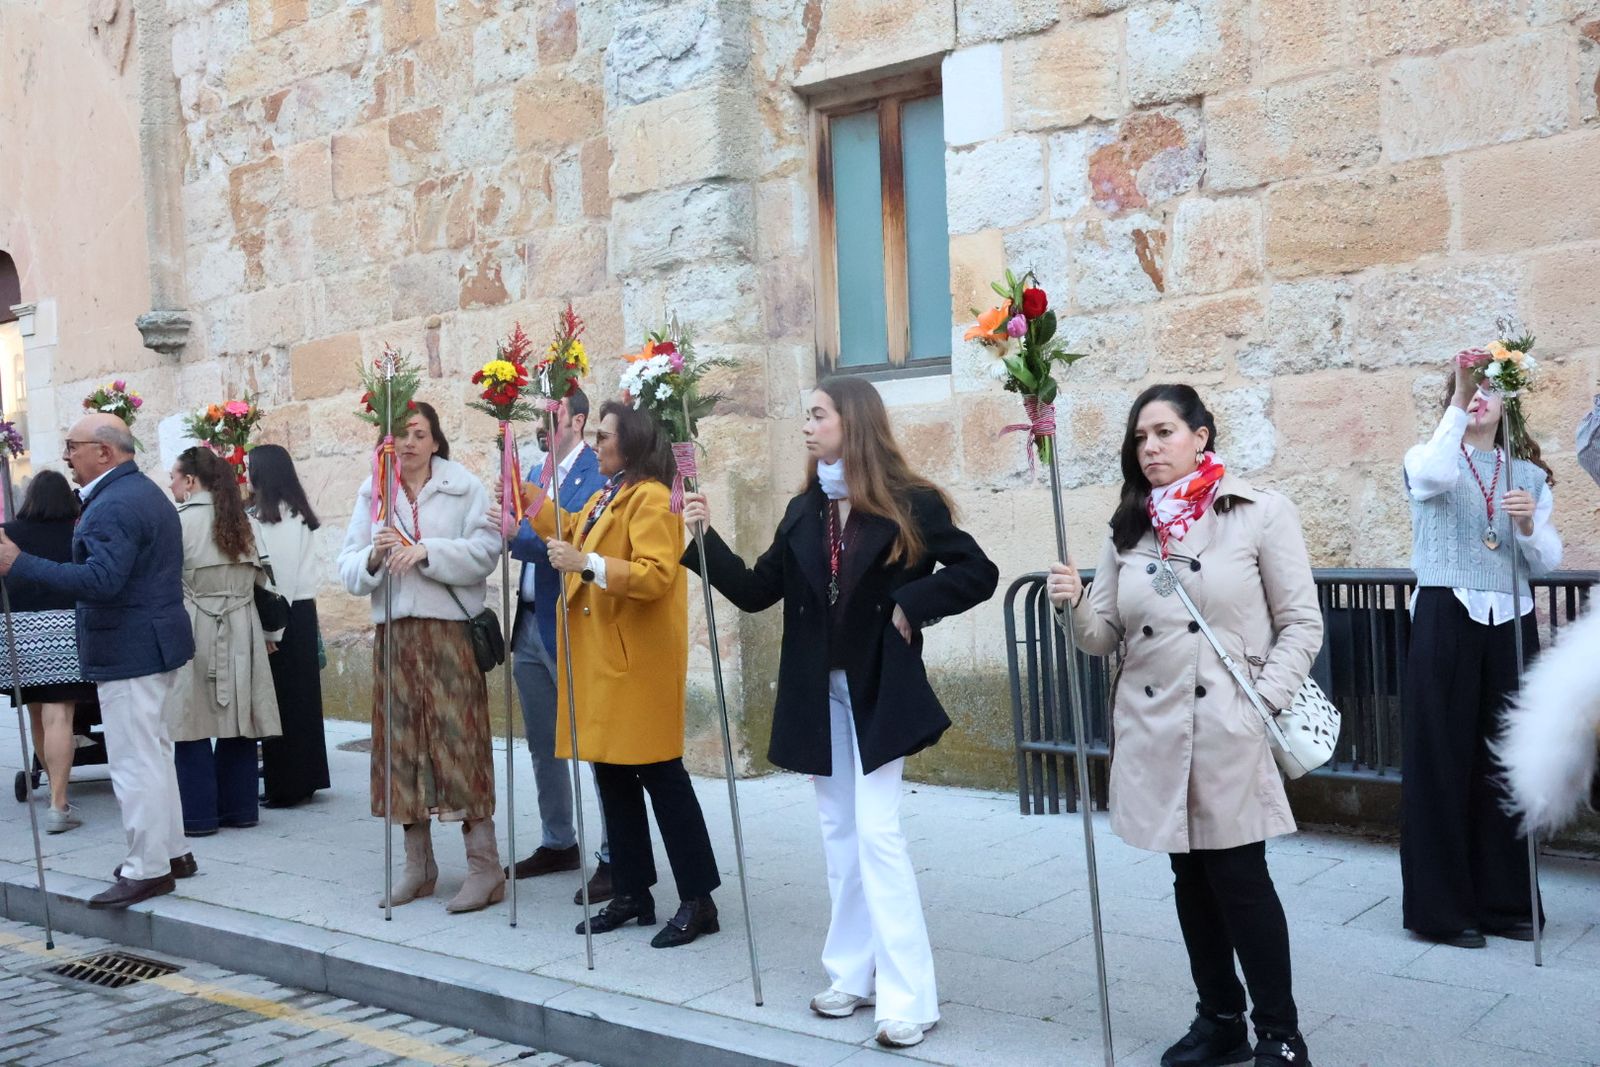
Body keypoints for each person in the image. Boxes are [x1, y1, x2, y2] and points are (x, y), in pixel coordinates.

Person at [681, 377, 999, 1049]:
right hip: (815, 693)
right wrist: (702, 538)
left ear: (851, 423)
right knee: (839, 833)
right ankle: (851, 973)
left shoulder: (908, 502)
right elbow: (754, 590)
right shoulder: (805, 507)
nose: (806, 426)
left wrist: (912, 603)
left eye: (818, 415)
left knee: (878, 831)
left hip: (879, 689)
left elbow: (977, 571)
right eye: (806, 415)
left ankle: (910, 996)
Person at [1046, 384, 1322, 1067]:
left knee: (1240, 877)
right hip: (1156, 727)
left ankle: (1281, 1035)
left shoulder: (1259, 513)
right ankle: (1220, 1015)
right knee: (1190, 879)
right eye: (1141, 438)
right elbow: (1102, 635)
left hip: (1230, 726)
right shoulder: (1129, 531)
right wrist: (1072, 603)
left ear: (1202, 435)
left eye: (1164, 432)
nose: (1150, 448)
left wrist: (1262, 701)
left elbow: (1302, 623)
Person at [524, 401, 720, 948]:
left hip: (637, 666)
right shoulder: (611, 491)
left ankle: (699, 898)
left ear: (630, 443)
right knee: (613, 779)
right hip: (607, 664)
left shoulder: (653, 499)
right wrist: (524, 499)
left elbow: (657, 575)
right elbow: (569, 527)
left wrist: (585, 565)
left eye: (605, 436)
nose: (597, 444)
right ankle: (633, 890)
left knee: (664, 781)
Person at [0, 414, 195, 909]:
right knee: (153, 753)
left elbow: (100, 581)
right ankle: (172, 854)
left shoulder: (115, 504)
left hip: (129, 644)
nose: (66, 456)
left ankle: (147, 868)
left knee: (134, 761)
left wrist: (19, 564)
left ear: (104, 452)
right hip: (147, 641)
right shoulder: (141, 492)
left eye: (72, 446)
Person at [1399, 361, 1560, 949]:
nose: (1481, 400)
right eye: (1472, 392)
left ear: (1509, 405)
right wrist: (1460, 395)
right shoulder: (1427, 454)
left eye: (1493, 392)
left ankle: (1506, 902)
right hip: (1447, 609)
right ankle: (1441, 911)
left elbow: (1545, 561)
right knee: (1440, 757)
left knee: (1508, 758)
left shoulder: (1530, 476)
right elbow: (1435, 480)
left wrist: (1525, 531)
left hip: (1511, 619)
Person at [337, 401, 505, 914]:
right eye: (400, 434)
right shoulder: (374, 492)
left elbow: (487, 549)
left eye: (419, 433)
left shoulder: (462, 487)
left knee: (458, 744)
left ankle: (484, 867)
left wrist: (428, 550)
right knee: (401, 750)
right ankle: (419, 866)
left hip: (449, 637)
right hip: (396, 640)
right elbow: (345, 567)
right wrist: (373, 556)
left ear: (435, 441)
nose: (408, 443)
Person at [502, 389, 614, 901]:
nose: (542, 424)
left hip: (567, 621)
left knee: (592, 740)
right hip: (527, 622)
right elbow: (522, 527)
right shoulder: (535, 469)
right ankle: (557, 839)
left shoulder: (594, 472)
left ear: (578, 420)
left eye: (552, 415)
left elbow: (565, 538)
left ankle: (615, 850)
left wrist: (515, 530)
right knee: (543, 739)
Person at [169, 447, 283, 836]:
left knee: (191, 720)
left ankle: (199, 816)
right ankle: (240, 809)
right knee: (240, 719)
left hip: (191, 625)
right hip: (241, 625)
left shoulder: (176, 522)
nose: (170, 484)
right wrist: (271, 635)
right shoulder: (245, 522)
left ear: (189, 481)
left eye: (174, 477)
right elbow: (268, 586)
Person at [2, 469, 97, 833]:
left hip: (20, 632)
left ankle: (56, 792)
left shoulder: (9, 533)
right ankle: (58, 803)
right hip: (66, 630)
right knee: (60, 715)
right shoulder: (79, 531)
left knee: (38, 715)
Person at [248, 444, 331, 808]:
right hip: (301, 609)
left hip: (286, 613)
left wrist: (272, 632)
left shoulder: (273, 517)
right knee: (303, 699)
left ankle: (288, 785)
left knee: (283, 701)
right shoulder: (296, 512)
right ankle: (308, 777)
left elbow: (279, 575)